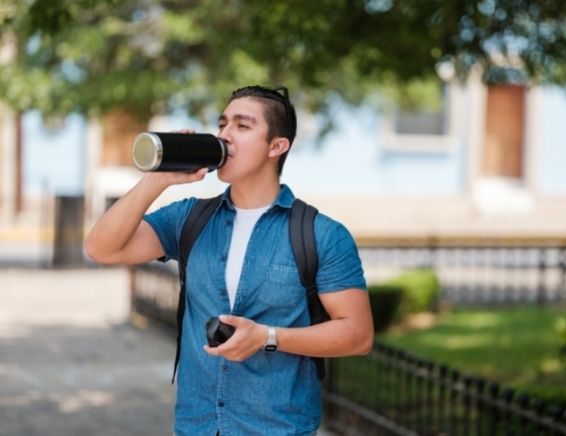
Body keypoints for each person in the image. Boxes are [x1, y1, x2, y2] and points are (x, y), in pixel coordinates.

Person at [85, 85, 374, 435]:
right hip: (197, 426)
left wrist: (268, 337)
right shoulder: (189, 219)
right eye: (223, 124)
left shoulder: (321, 234)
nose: (224, 135)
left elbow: (357, 335)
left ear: (277, 146)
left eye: (242, 125)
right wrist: (157, 180)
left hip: (278, 429)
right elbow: (101, 248)